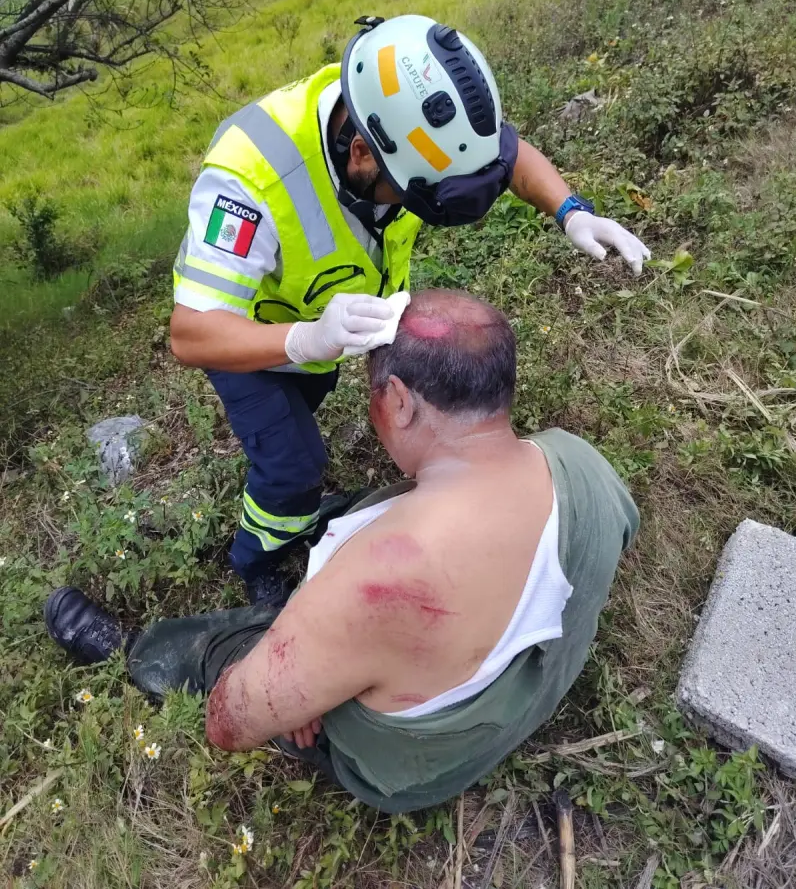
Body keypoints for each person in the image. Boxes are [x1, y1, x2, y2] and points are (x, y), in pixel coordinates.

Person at [46, 289, 639, 813]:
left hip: (420, 768)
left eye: (375, 392)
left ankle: (135, 653)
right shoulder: (577, 459)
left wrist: (298, 687)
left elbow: (230, 724)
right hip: (530, 682)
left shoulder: (379, 577)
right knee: (369, 505)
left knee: (229, 653)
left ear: (401, 401)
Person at [169, 13, 648, 608]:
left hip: (323, 321)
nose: (415, 208)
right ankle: (256, 556)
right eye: (415, 195)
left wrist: (572, 211)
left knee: (301, 417)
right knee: (293, 464)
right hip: (245, 338)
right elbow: (192, 335)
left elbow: (508, 157)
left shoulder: (405, 112)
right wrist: (303, 342)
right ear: (363, 155)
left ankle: (283, 494)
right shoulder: (248, 181)